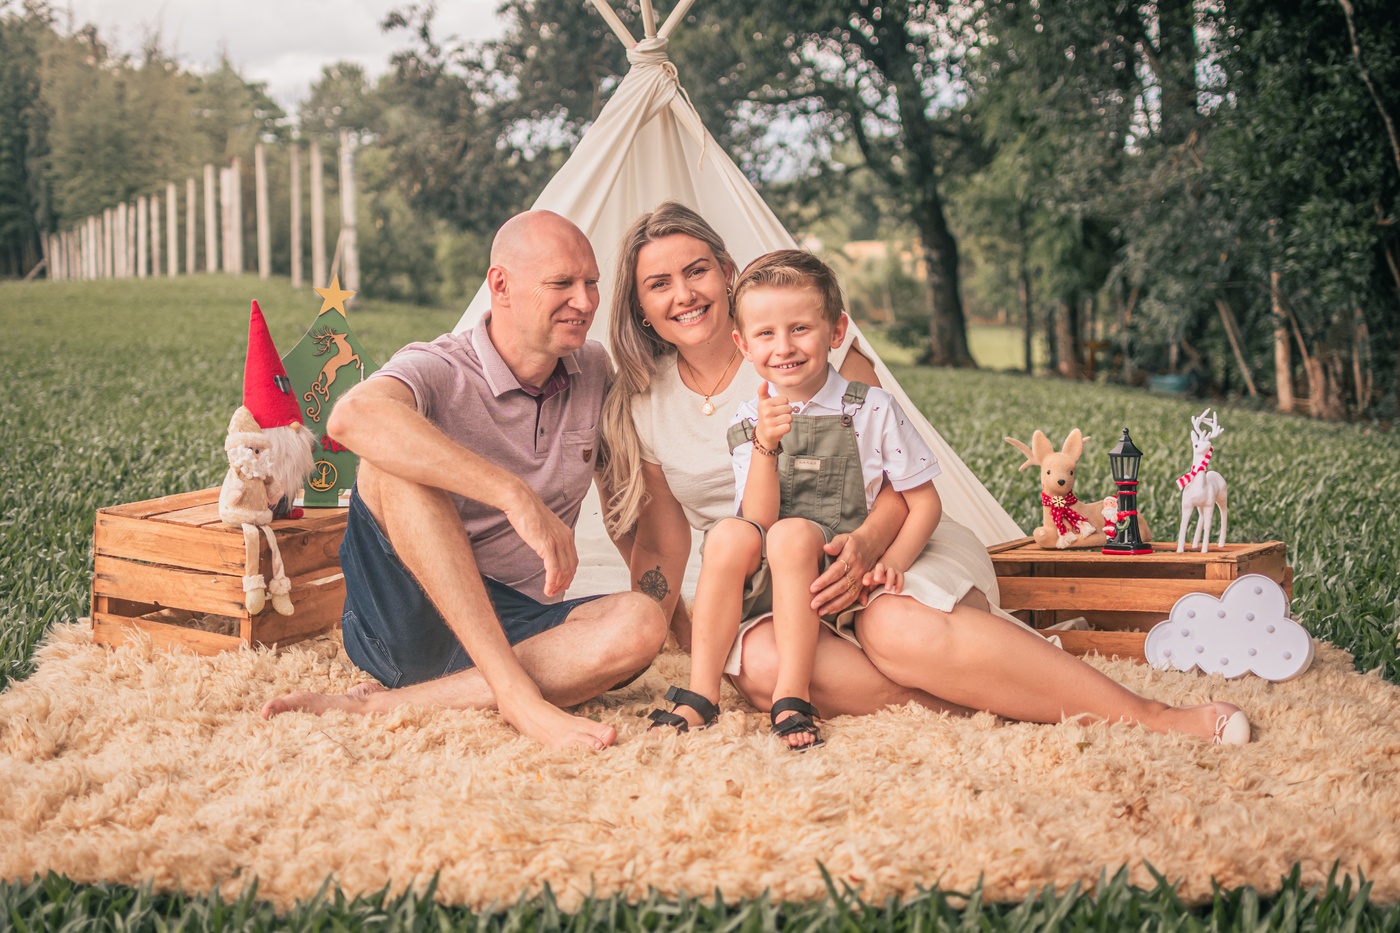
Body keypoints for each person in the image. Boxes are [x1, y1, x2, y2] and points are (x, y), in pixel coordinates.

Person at [600, 201, 1251, 746]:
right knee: (766, 667)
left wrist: (866, 551)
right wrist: (673, 640)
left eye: (696, 271)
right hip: (777, 576)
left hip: (890, 539)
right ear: (640, 305)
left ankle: (1148, 715)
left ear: (727, 273)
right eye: (659, 284)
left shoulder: (812, 347)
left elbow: (899, 491)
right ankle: (1009, 702)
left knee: (893, 628)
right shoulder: (644, 400)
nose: (683, 294)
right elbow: (664, 543)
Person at [261, 210, 667, 751]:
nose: (585, 301)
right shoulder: (440, 366)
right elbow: (351, 418)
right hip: (404, 615)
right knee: (390, 458)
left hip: (514, 619)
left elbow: (624, 513)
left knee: (642, 620)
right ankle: (517, 696)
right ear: (501, 285)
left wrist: (684, 620)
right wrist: (513, 495)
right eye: (562, 283)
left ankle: (386, 704)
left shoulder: (592, 369)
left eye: (591, 282)